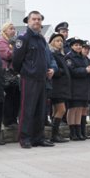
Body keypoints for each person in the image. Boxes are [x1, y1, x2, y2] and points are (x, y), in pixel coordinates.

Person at [12, 11, 57, 149]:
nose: (37, 21)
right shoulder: (23, 38)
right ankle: (25, 138)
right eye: (34, 19)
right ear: (28, 21)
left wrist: (50, 69)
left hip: (42, 79)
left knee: (40, 110)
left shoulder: (42, 39)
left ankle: (38, 138)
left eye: (39, 19)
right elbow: (16, 61)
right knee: (27, 109)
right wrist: (27, 72)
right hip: (29, 79)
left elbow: (46, 58)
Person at [65, 38, 90, 140]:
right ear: (71, 46)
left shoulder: (83, 58)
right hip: (75, 86)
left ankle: (79, 131)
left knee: (80, 110)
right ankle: (72, 132)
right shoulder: (69, 57)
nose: (78, 47)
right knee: (73, 109)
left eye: (80, 45)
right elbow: (72, 71)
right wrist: (86, 70)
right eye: (76, 45)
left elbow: (87, 70)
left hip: (84, 86)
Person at [48, 32, 70, 143]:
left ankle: (55, 134)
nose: (60, 43)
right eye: (57, 41)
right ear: (52, 42)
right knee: (61, 109)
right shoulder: (52, 54)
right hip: (56, 86)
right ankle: (54, 134)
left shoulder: (61, 54)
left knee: (57, 110)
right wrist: (61, 71)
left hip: (62, 85)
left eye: (61, 41)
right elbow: (54, 69)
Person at [0, 22, 20, 129]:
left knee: (16, 97)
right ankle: (8, 120)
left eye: (14, 28)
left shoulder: (15, 42)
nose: (13, 30)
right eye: (11, 28)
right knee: (9, 98)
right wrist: (16, 49)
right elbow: (7, 55)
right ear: (5, 30)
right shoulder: (1, 41)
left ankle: (14, 119)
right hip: (6, 73)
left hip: (15, 73)